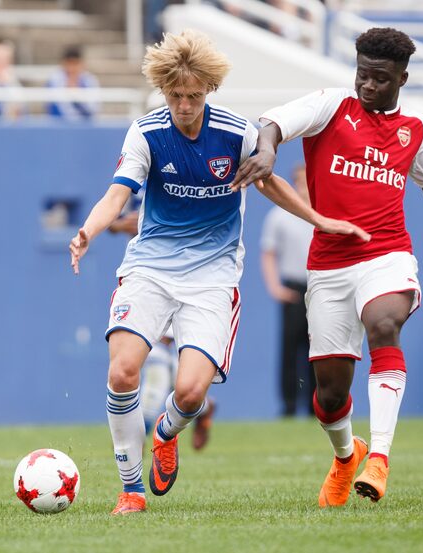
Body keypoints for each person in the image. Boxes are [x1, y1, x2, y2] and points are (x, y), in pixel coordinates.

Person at [69, 29, 368, 516]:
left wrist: (318, 219)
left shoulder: (235, 132)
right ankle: (130, 491)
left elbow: (268, 183)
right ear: (163, 91)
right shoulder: (147, 132)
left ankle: (166, 435)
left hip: (212, 278)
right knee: (123, 371)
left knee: (189, 392)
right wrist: (88, 230)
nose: (183, 105)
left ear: (209, 89)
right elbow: (118, 193)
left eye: (192, 95)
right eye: (175, 96)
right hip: (150, 268)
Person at [232, 27, 423, 507]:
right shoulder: (331, 106)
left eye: (380, 78)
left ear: (402, 77)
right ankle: (345, 457)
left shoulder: (416, 129)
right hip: (329, 266)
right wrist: (269, 148)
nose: (368, 86)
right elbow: (272, 123)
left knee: (384, 324)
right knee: (331, 396)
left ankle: (379, 457)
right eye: (362, 75)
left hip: (387, 254)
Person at [108, 187, 217, 449]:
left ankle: (191, 414)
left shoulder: (184, 171)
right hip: (146, 280)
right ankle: (146, 438)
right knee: (158, 371)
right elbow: (111, 219)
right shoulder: (135, 175)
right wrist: (130, 224)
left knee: (177, 376)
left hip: (187, 280)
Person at [260, 163, 315, 416]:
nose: (304, 187)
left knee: (320, 348)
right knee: (290, 349)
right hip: (293, 287)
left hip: (320, 287)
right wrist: (275, 287)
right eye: (300, 181)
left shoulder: (325, 212)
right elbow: (268, 253)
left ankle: (319, 404)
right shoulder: (280, 216)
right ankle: (289, 405)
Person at [47, 45, 99, 122]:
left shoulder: (89, 80)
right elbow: (55, 108)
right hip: (60, 125)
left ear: (81, 64)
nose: (72, 68)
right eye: (69, 63)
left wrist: (77, 96)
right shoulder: (55, 80)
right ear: (64, 63)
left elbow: (93, 109)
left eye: (75, 64)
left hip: (85, 125)